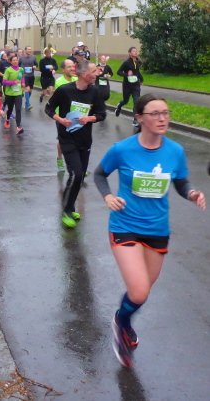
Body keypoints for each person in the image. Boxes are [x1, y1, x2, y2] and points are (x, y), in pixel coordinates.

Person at [93, 93, 206, 367]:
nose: (162, 118)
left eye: (165, 113)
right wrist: (108, 196)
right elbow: (99, 174)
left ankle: (123, 319)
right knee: (139, 291)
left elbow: (180, 182)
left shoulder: (175, 151)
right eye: (154, 113)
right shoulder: (122, 149)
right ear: (139, 118)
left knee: (143, 289)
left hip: (157, 229)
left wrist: (191, 193)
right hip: (125, 225)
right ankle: (122, 325)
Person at [45, 60, 106, 228]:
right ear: (84, 74)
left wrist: (89, 118)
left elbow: (102, 114)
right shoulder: (65, 90)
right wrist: (61, 120)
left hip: (85, 140)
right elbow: (49, 109)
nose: (96, 74)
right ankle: (66, 210)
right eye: (94, 71)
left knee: (80, 176)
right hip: (67, 138)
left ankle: (70, 207)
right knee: (76, 174)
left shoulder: (94, 91)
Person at [115, 47, 143, 124]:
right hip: (127, 85)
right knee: (125, 101)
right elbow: (119, 72)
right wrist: (127, 74)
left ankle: (135, 120)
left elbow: (137, 72)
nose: (135, 52)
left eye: (136, 51)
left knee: (136, 101)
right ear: (129, 53)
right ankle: (119, 106)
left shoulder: (138, 62)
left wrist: (141, 80)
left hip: (136, 85)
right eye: (133, 51)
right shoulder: (126, 62)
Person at [1, 54, 24, 134]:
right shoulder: (8, 70)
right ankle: (7, 120)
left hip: (18, 93)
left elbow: (22, 78)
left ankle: (18, 127)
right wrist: (13, 82)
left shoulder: (21, 69)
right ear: (11, 62)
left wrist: (23, 83)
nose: (15, 61)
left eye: (16, 60)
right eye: (13, 60)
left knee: (18, 109)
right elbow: (4, 81)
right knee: (10, 108)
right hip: (9, 93)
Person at [19, 46, 38, 110]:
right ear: (25, 50)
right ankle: (28, 104)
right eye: (28, 49)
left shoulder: (33, 57)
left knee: (30, 90)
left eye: (30, 49)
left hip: (31, 75)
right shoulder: (21, 58)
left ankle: (26, 103)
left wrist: (35, 66)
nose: (29, 50)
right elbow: (18, 65)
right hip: (25, 76)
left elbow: (36, 64)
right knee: (27, 89)